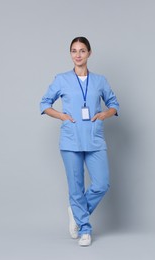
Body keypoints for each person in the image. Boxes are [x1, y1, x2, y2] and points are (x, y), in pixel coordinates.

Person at [39, 37, 120, 247]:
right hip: (70, 139)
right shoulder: (61, 79)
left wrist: (104, 114)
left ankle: (76, 211)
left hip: (94, 138)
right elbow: (44, 103)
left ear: (89, 53)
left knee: (102, 183)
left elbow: (113, 104)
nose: (78, 54)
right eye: (74, 51)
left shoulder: (100, 81)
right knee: (75, 187)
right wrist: (62, 116)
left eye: (82, 50)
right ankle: (85, 228)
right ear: (70, 54)